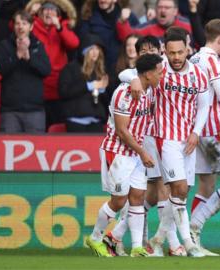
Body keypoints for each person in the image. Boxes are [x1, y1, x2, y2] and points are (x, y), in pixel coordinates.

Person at [105, 35, 187, 257]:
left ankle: (116, 237)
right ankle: (169, 242)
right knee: (156, 189)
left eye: (152, 50)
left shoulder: (166, 69)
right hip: (146, 138)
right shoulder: (135, 78)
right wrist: (132, 77)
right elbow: (127, 74)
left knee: (148, 194)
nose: (148, 53)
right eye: (143, 51)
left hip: (162, 134)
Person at [86, 53, 164, 257]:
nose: (161, 75)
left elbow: (127, 73)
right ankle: (94, 238)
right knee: (119, 200)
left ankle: (137, 247)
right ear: (147, 74)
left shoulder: (149, 90)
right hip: (118, 152)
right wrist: (143, 152)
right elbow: (122, 131)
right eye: (158, 72)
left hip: (135, 154)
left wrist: (140, 152)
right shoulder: (124, 94)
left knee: (138, 197)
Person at [144, 27, 210, 257]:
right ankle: (188, 244)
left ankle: (158, 239)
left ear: (187, 49)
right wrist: (133, 81)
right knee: (179, 188)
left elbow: (204, 105)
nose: (176, 57)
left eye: (180, 52)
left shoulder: (199, 74)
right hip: (165, 137)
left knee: (182, 192)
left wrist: (196, 132)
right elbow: (131, 73)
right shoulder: (158, 68)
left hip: (188, 140)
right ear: (165, 51)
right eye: (172, 53)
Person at [187, 19, 220, 257]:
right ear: (219, 39)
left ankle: (191, 240)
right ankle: (194, 226)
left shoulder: (194, 58)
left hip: (197, 129)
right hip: (215, 130)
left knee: (206, 184)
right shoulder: (212, 59)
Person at [26, 0, 80, 128]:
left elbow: (74, 43)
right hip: (37, 84)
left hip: (57, 84)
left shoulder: (62, 26)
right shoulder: (32, 25)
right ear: (39, 13)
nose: (49, 12)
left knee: (57, 125)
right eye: (45, 9)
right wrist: (29, 13)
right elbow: (15, 26)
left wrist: (60, 28)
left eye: (52, 10)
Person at [0, 10, 51, 133]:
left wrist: (29, 58)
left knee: (36, 150)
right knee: (8, 151)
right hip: (10, 111)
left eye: (24, 23)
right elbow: (2, 70)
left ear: (31, 27)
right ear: (13, 26)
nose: (20, 27)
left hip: (34, 110)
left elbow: (46, 70)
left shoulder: (38, 45)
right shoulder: (4, 45)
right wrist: (17, 56)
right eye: (17, 23)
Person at [58, 34, 108, 133]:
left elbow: (106, 102)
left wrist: (103, 90)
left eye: (97, 49)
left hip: (96, 121)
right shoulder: (70, 68)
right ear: (84, 51)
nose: (95, 52)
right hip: (76, 121)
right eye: (91, 48)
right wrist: (90, 85)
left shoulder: (100, 71)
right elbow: (64, 92)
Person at [79, 0, 139, 69]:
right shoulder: (88, 16)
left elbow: (138, 40)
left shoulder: (128, 16)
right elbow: (83, 44)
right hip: (98, 69)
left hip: (123, 68)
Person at [116, 0, 192, 41]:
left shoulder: (187, 25)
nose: (162, 10)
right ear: (155, 9)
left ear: (175, 11)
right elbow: (128, 38)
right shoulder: (146, 28)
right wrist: (122, 22)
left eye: (167, 7)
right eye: (160, 7)